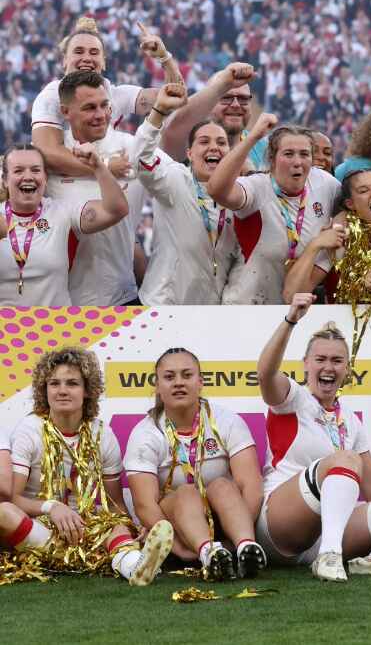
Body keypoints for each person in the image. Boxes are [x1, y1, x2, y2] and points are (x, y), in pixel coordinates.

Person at [255, 296, 371, 580]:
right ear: (306, 364)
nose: (328, 367)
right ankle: (328, 557)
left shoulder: (351, 421)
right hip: (280, 528)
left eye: (337, 360)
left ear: (347, 368)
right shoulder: (293, 398)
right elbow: (265, 374)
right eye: (320, 359)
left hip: (326, 534)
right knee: (344, 460)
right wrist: (290, 320)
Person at [0, 347, 173, 585]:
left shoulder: (102, 433)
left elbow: (115, 504)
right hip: (39, 525)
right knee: (4, 513)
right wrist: (52, 507)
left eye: (72, 383)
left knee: (114, 524)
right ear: (44, 390)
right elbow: (13, 498)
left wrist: (132, 525)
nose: (62, 390)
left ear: (87, 391)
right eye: (54, 384)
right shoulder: (29, 430)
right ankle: (70, 558)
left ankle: (134, 565)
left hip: (84, 526)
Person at [124, 348, 266, 580]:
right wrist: (178, 548)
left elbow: (251, 485)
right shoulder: (145, 434)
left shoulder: (226, 420)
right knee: (187, 492)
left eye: (187, 375)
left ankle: (245, 548)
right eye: (169, 377)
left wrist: (232, 542)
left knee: (222, 485)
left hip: (228, 521)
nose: (179, 383)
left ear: (200, 382)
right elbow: (144, 505)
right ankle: (209, 554)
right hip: (180, 526)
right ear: (157, 386)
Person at [207, 113, 340, 305]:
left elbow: (354, 202)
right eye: (288, 154)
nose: (298, 162)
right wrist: (252, 138)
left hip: (293, 311)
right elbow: (216, 190)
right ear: (272, 158)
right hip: (246, 308)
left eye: (304, 154)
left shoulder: (326, 184)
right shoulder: (256, 187)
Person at [46, 70, 150, 306]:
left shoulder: (132, 148)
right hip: (62, 304)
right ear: (65, 112)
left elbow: (178, 175)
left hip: (122, 298)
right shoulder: (46, 158)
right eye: (90, 107)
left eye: (105, 106)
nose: (101, 115)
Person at [132, 84, 237, 305]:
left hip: (209, 314)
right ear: (189, 153)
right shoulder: (176, 179)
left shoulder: (240, 195)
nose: (214, 148)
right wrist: (158, 111)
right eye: (204, 141)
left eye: (221, 143)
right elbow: (140, 158)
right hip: (162, 306)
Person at [0, 142, 128, 306]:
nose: (28, 176)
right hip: (7, 328)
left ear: (45, 178)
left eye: (36, 170)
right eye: (18, 170)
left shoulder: (61, 211)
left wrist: (98, 166)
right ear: (4, 180)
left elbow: (116, 210)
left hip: (57, 327)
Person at [31, 18, 161, 178]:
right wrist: (103, 166)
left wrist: (164, 58)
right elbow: (47, 153)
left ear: (104, 62)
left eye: (94, 52)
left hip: (106, 188)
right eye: (78, 52)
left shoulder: (115, 93)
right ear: (64, 60)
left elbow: (172, 99)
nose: (86, 58)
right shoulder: (51, 96)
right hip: (62, 193)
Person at [282, 168, 371, 304]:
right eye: (364, 190)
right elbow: (291, 296)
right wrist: (315, 245)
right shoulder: (340, 237)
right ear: (350, 204)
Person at [157, 63, 258, 168]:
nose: (236, 105)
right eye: (226, 98)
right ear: (207, 105)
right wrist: (222, 85)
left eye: (243, 99)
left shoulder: (263, 147)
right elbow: (172, 131)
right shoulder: (191, 145)